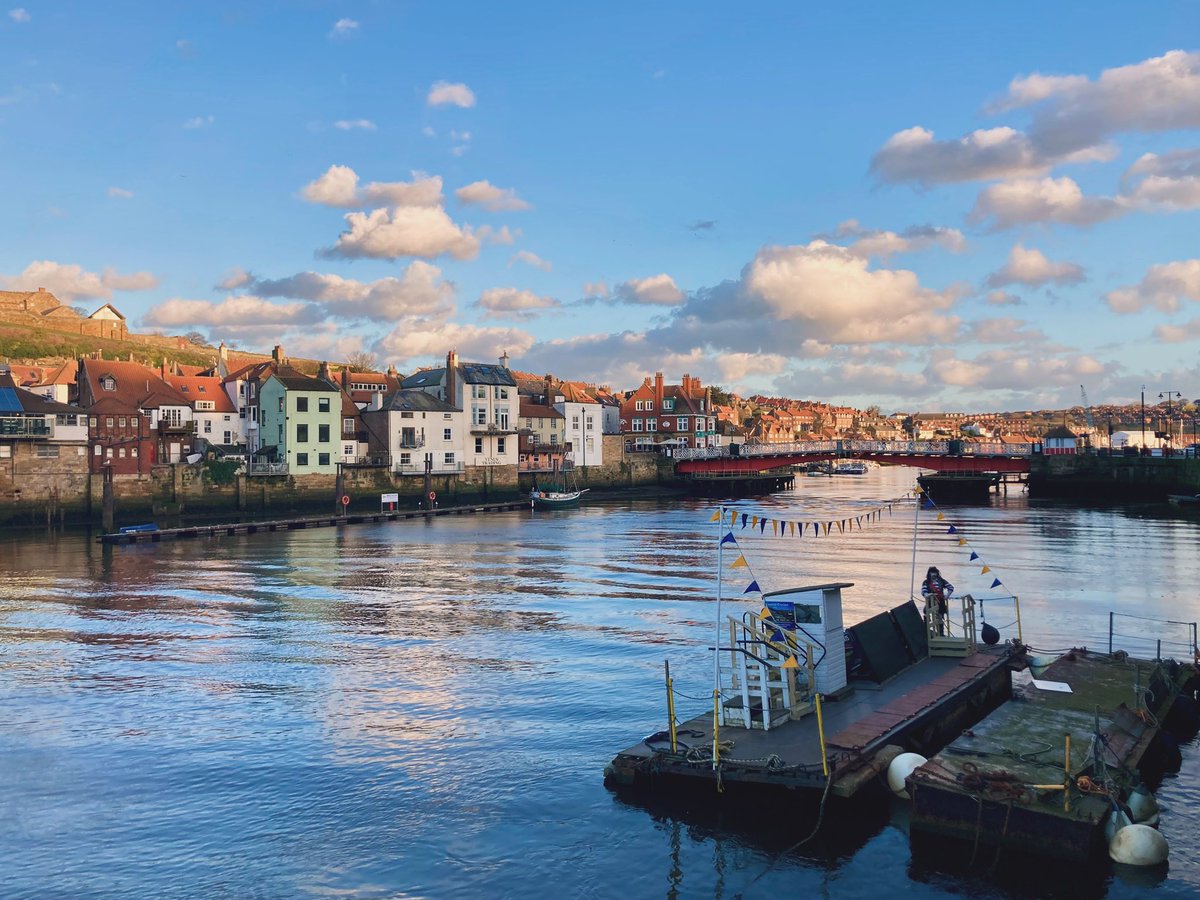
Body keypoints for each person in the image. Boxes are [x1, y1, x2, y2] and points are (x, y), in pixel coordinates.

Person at [921, 566, 954, 636]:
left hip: (940, 601)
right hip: (930, 601)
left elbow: (951, 587)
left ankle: (941, 634)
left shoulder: (941, 581)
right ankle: (926, 629)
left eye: (935, 572)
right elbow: (924, 592)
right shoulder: (926, 582)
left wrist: (947, 596)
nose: (933, 574)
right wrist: (928, 595)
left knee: (940, 616)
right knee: (925, 612)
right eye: (932, 572)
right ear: (929, 573)